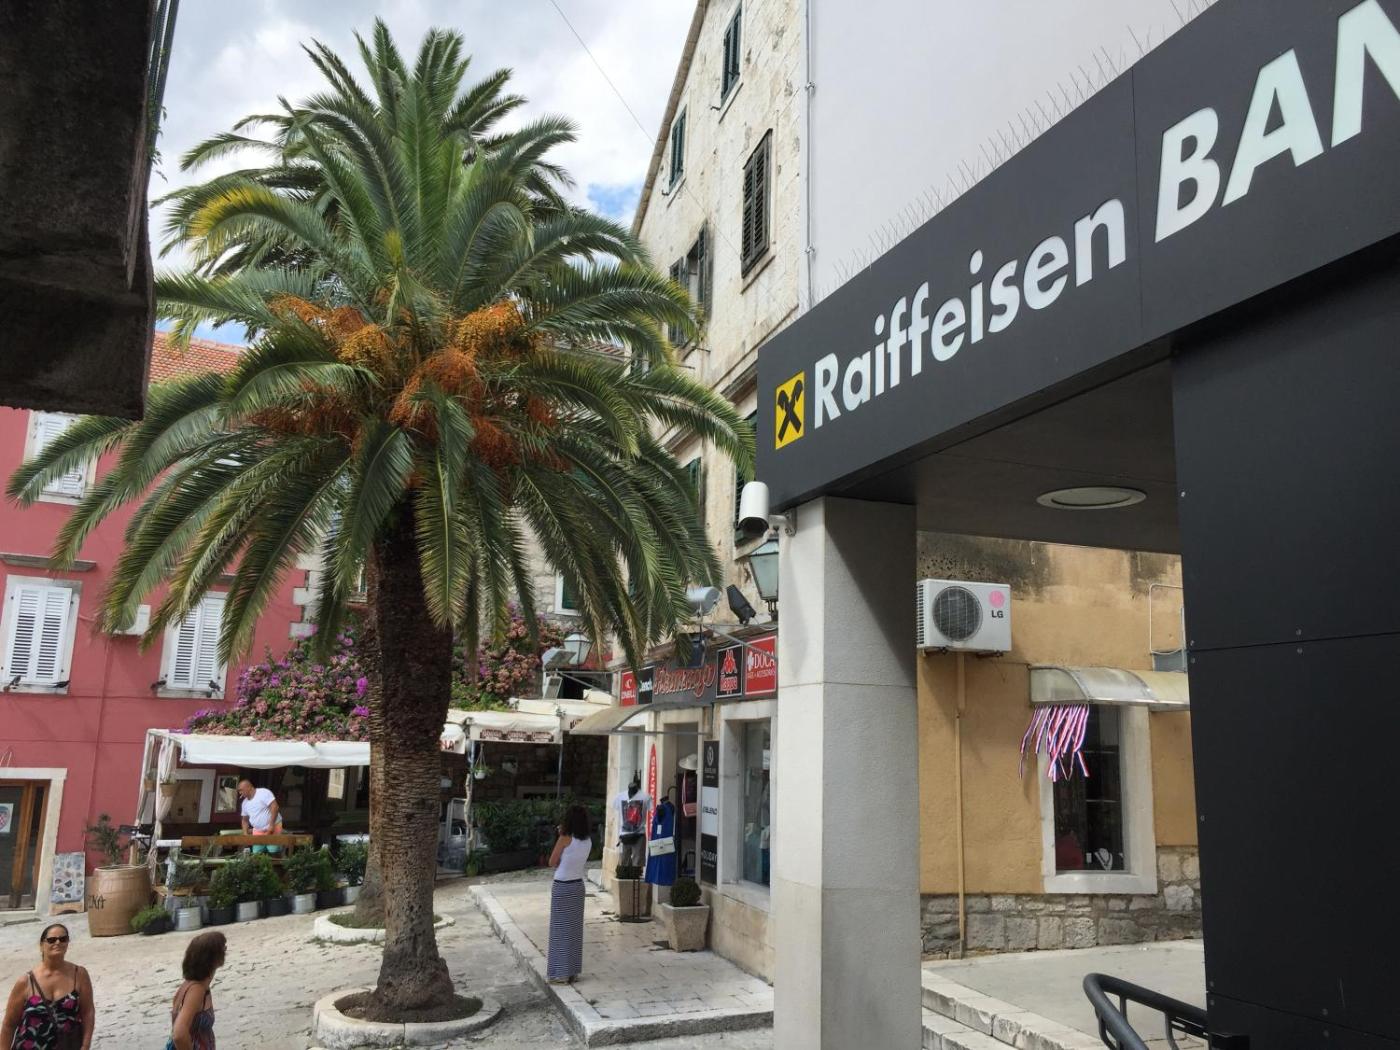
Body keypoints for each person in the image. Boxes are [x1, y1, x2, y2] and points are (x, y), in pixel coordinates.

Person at [0, 922, 93, 1050]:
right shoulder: (26, 982)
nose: (58, 942)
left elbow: (88, 1013)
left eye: (63, 939)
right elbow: (9, 1025)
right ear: (41, 945)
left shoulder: (79, 975)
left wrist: (85, 1045)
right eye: (51, 940)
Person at [545, 805, 591, 984]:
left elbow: (552, 861)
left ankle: (560, 973)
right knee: (574, 931)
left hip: (562, 887)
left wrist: (560, 835)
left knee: (559, 931)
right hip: (578, 886)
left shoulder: (564, 839)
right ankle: (572, 971)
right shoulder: (588, 841)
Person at [167, 931, 224, 1050]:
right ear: (212, 958)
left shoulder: (189, 986)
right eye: (222, 949)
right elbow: (179, 1034)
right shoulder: (196, 990)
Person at [237, 779, 282, 854]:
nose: (240, 793)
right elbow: (245, 820)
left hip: (273, 826)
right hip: (258, 830)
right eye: (239, 791)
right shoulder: (244, 803)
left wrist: (271, 826)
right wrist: (245, 834)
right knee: (257, 853)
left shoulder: (263, 793)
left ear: (249, 787)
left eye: (241, 790)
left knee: (273, 851)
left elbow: (275, 807)